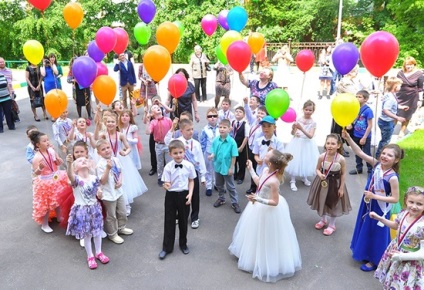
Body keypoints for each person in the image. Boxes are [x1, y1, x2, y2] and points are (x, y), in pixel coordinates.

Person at [229, 150, 302, 282]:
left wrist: (258, 199)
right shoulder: (265, 171)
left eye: (267, 155)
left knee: (266, 235)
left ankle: (266, 261)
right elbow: (259, 182)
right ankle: (252, 256)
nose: (264, 155)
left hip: (268, 209)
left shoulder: (274, 181)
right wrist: (251, 170)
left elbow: (275, 202)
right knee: (254, 232)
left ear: (269, 162)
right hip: (257, 205)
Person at [342, 130, 403, 271]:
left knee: (377, 232)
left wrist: (374, 196)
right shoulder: (376, 165)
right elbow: (360, 153)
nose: (385, 156)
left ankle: (375, 260)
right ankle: (365, 252)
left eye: (390, 155)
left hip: (380, 207)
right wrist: (349, 139)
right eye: (384, 153)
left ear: (396, 160)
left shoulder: (392, 177)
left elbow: (395, 198)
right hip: (368, 202)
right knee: (366, 227)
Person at [371, 186, 424, 289]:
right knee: (392, 279)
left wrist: (402, 256)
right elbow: (395, 225)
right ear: (406, 201)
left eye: (419, 204)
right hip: (395, 252)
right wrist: (379, 218)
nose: (414, 206)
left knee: (404, 284)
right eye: (411, 202)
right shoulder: (403, 214)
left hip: (410, 261)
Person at [98, 114, 147, 216]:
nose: (110, 124)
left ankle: (126, 204)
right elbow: (98, 146)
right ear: (105, 123)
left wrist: (125, 153)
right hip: (108, 160)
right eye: (108, 122)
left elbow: (128, 147)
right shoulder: (103, 135)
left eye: (112, 122)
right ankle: (114, 203)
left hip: (120, 159)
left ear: (116, 123)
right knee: (111, 181)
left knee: (123, 181)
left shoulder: (120, 135)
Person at [65, 156, 109, 270]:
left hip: (94, 209)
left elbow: (99, 186)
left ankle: (99, 252)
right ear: (75, 168)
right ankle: (90, 256)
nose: (83, 160)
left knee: (97, 232)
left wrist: (100, 193)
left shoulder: (94, 178)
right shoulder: (76, 179)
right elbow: (70, 176)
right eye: (79, 160)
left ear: (89, 165)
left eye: (85, 159)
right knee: (87, 235)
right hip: (82, 211)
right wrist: (69, 164)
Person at [307, 133, 351, 236]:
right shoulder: (322, 156)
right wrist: (320, 174)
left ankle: (332, 224)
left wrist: (341, 188)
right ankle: (323, 220)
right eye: (328, 143)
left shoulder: (341, 159)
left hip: (335, 183)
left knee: (334, 203)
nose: (330, 146)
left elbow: (343, 173)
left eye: (333, 143)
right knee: (322, 200)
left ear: (339, 145)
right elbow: (317, 169)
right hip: (322, 183)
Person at [159, 140, 196, 260]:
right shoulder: (168, 167)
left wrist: (190, 194)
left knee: (183, 221)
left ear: (184, 152)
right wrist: (166, 185)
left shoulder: (189, 166)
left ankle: (183, 244)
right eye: (175, 153)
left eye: (180, 152)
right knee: (169, 220)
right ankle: (167, 247)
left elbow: (191, 180)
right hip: (171, 196)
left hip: (184, 195)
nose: (178, 155)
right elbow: (166, 183)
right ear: (170, 154)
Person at [30, 131, 72, 233]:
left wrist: (59, 161)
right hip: (45, 182)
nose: (47, 142)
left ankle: (59, 216)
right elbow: (36, 173)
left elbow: (56, 162)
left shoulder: (51, 151)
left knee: (57, 200)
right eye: (44, 141)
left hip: (56, 178)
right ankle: (44, 224)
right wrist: (40, 168)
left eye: (47, 139)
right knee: (47, 205)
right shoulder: (37, 157)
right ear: (38, 145)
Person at [95, 139, 134, 244]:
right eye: (103, 149)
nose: (107, 150)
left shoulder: (115, 159)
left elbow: (120, 171)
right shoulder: (100, 165)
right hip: (108, 193)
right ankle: (112, 234)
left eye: (108, 148)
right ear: (98, 153)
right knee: (111, 215)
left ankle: (121, 227)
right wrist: (108, 168)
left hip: (118, 191)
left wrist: (120, 180)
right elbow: (102, 181)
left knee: (122, 211)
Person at [172, 119, 206, 229]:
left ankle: (195, 217)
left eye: (192, 129)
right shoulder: (177, 141)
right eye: (188, 130)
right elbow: (167, 140)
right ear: (181, 131)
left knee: (195, 196)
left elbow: (200, 159)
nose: (191, 132)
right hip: (180, 172)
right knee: (180, 195)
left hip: (193, 172)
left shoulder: (195, 144)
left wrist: (203, 176)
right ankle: (179, 215)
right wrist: (172, 127)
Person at [285, 100, 320, 191]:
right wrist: (293, 130)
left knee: (305, 160)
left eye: (310, 110)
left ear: (313, 111)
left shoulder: (313, 123)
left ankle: (304, 177)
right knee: (295, 160)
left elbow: (310, 136)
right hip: (297, 142)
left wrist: (302, 129)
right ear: (303, 109)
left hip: (307, 143)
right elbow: (293, 133)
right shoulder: (298, 120)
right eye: (306, 109)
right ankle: (292, 180)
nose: (308, 112)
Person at [209, 119, 240, 213]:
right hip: (218, 166)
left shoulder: (232, 142)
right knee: (219, 184)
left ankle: (235, 202)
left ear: (229, 129)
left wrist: (231, 168)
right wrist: (212, 155)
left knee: (230, 186)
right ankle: (221, 198)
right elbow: (214, 150)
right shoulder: (216, 140)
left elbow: (234, 156)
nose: (222, 129)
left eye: (224, 127)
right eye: (220, 127)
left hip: (227, 168)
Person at [376, 77, 408, 158]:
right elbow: (386, 110)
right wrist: (397, 118)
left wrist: (400, 107)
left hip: (383, 121)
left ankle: (380, 155)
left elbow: (391, 106)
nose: (400, 87)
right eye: (400, 85)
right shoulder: (390, 98)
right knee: (385, 141)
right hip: (387, 122)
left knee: (384, 139)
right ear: (395, 86)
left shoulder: (390, 95)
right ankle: (379, 157)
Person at [395, 57, 424, 138]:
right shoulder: (400, 73)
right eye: (407, 64)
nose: (409, 66)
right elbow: (395, 84)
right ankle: (391, 129)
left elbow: (420, 88)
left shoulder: (419, 74)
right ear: (405, 65)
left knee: (407, 115)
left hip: (412, 97)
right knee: (396, 112)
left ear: (414, 65)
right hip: (399, 96)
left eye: (411, 65)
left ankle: (402, 131)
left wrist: (420, 100)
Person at [347, 90, 374, 175]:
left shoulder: (368, 110)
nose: (357, 98)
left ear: (365, 99)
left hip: (365, 136)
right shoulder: (355, 108)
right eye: (356, 96)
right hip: (356, 134)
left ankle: (370, 170)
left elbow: (370, 125)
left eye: (360, 97)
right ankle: (359, 168)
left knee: (366, 153)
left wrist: (364, 137)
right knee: (357, 152)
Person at [145, 104, 173, 186]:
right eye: (154, 108)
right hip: (158, 145)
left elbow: (172, 131)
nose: (157, 108)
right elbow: (148, 132)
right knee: (160, 162)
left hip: (167, 144)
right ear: (152, 114)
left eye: (158, 107)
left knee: (169, 162)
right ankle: (160, 177)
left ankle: (169, 177)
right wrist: (147, 121)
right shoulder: (153, 122)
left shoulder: (168, 120)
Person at [245, 104, 267, 194]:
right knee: (252, 167)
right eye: (259, 113)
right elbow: (248, 114)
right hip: (251, 147)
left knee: (258, 167)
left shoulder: (265, 126)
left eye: (262, 113)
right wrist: (246, 104)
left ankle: (259, 186)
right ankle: (253, 186)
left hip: (259, 150)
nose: (259, 115)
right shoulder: (254, 121)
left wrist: (263, 123)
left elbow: (265, 134)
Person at [199, 107, 219, 196]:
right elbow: (202, 142)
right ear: (207, 118)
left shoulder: (220, 128)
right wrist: (202, 154)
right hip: (208, 152)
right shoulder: (205, 129)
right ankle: (209, 186)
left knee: (217, 169)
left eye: (214, 116)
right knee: (208, 169)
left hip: (218, 153)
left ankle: (216, 184)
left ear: (217, 117)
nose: (212, 118)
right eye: (210, 116)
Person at [231, 106, 249, 185]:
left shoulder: (245, 124)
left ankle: (241, 177)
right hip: (233, 145)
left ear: (244, 114)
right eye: (236, 111)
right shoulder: (233, 122)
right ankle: (234, 174)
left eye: (240, 112)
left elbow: (246, 137)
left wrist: (241, 147)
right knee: (234, 161)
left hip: (242, 146)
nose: (238, 113)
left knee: (242, 162)